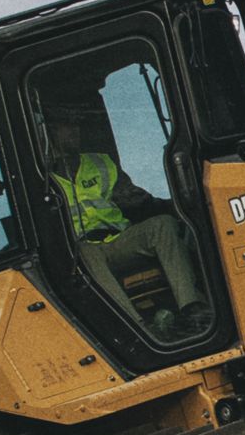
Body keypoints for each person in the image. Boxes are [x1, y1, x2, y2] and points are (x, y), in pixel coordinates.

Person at [43, 108, 213, 337]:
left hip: (120, 240)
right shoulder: (43, 181)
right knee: (83, 252)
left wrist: (186, 205)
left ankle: (192, 309)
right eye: (64, 126)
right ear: (48, 133)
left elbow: (137, 200)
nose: (72, 132)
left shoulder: (100, 163)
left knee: (162, 225)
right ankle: (136, 326)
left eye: (74, 125)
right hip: (86, 251)